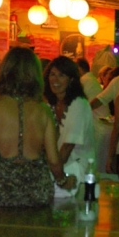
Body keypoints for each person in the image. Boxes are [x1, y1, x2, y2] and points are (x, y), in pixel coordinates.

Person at [0, 47, 76, 208]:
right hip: (37, 190)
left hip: (1, 191)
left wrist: (4, 168)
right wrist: (63, 180)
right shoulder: (43, 110)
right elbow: (53, 160)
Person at [44, 56, 95, 188]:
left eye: (61, 75)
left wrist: (54, 174)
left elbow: (67, 147)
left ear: (71, 80)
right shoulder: (51, 103)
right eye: (52, 74)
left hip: (77, 171)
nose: (55, 80)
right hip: (58, 169)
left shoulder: (79, 104)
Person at [77, 57, 110, 173]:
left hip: (98, 127)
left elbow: (79, 105)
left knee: (96, 166)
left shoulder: (85, 81)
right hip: (101, 126)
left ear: (79, 68)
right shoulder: (91, 79)